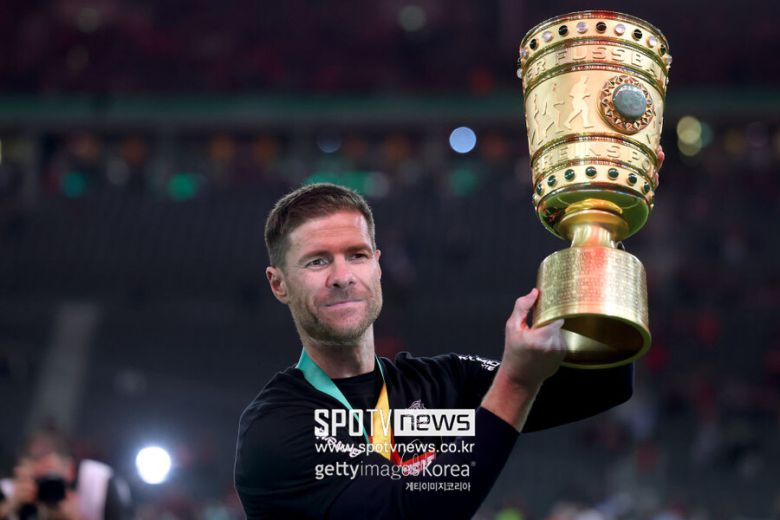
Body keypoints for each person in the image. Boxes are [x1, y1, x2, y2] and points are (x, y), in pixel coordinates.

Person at [234, 183, 635, 519]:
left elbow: (601, 385)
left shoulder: (442, 384)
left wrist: (603, 226)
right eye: (317, 261)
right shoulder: (274, 429)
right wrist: (516, 381)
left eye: (356, 255)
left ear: (377, 265)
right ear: (278, 283)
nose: (342, 277)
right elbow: (410, 513)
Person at [0, 430, 132, 520]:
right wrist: (10, 506)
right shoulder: (9, 493)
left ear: (71, 470)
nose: (46, 489)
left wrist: (75, 517)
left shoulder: (99, 486)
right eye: (37, 479)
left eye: (51, 479)